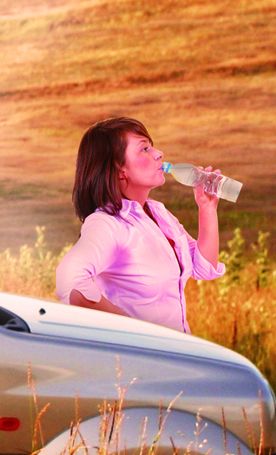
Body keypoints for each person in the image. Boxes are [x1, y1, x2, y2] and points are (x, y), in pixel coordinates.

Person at [54, 116, 224, 333]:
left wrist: (207, 209)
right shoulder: (107, 224)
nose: (158, 154)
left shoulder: (158, 214)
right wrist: (132, 331)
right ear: (118, 170)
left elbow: (204, 267)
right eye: (144, 149)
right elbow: (69, 279)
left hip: (176, 353)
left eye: (151, 146)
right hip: (139, 361)